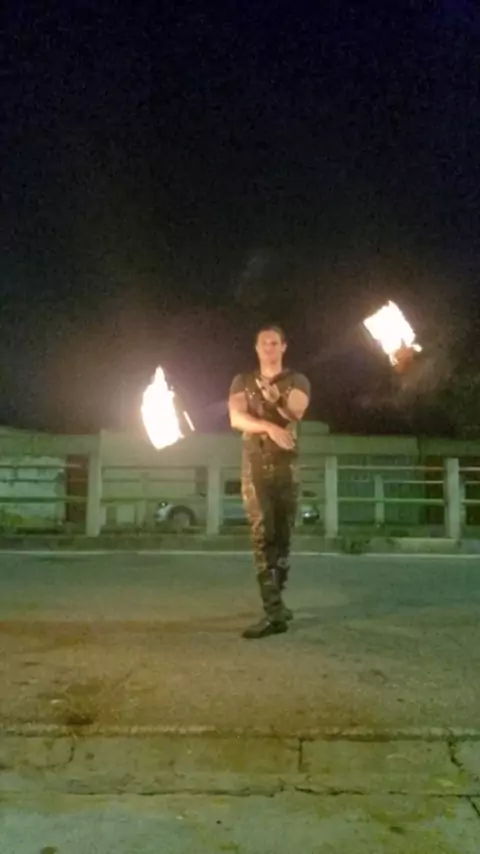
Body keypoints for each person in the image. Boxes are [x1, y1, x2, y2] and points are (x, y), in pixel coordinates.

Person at [228, 325, 311, 639]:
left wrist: (277, 403)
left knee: (283, 536)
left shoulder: (297, 380)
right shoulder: (243, 381)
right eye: (264, 343)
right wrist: (269, 427)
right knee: (263, 533)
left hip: (286, 465)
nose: (269, 347)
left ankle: (278, 603)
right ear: (256, 347)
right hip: (255, 465)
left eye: (275, 343)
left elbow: (296, 413)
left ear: (284, 346)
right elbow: (237, 418)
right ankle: (273, 612)